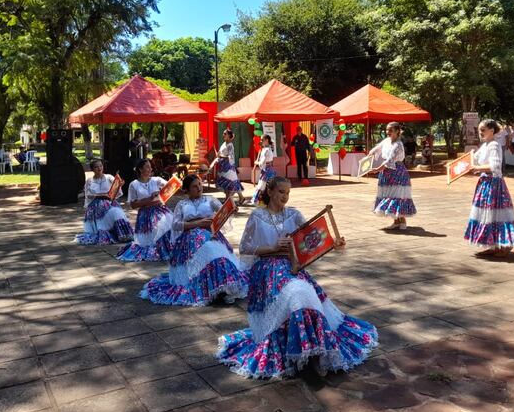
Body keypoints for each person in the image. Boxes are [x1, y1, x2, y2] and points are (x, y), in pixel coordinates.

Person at [217, 176, 378, 379]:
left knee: (306, 296)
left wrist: (334, 243)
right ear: (270, 192)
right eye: (281, 192)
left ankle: (316, 352)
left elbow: (314, 238)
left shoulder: (294, 214)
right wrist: (272, 248)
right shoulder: (257, 216)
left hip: (292, 267)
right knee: (297, 295)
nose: (285, 196)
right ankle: (304, 353)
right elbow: (245, 248)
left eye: (288, 193)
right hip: (266, 269)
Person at [141, 174, 248, 306]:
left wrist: (231, 209)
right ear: (187, 190)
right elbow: (175, 225)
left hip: (210, 233)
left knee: (216, 254)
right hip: (189, 238)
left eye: (200, 184)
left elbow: (222, 211)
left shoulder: (210, 200)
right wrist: (198, 223)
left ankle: (225, 288)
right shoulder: (182, 204)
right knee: (208, 251)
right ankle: (211, 288)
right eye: (194, 186)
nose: (199, 188)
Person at [464, 119, 514, 257]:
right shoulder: (486, 144)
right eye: (479, 130)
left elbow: (494, 167)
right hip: (486, 182)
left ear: (492, 131)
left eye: (483, 130)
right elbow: (474, 159)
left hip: (493, 183)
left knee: (496, 213)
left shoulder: (493, 145)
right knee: (488, 214)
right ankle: (493, 245)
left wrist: (474, 168)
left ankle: (505, 245)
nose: (480, 133)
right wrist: (462, 164)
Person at [116, 159, 173, 262]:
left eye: (150, 166)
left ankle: (167, 248)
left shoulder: (157, 180)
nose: (150, 168)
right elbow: (133, 205)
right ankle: (158, 249)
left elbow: (171, 187)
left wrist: (162, 193)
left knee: (167, 224)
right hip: (145, 213)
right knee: (155, 230)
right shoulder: (134, 184)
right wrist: (149, 199)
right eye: (147, 166)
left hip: (160, 209)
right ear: (140, 169)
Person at [74, 158, 133, 245]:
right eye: (96, 167)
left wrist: (119, 185)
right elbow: (88, 195)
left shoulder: (109, 177)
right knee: (101, 217)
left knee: (116, 212)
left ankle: (123, 234)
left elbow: (116, 191)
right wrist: (99, 195)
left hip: (109, 201)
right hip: (96, 204)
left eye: (100, 166)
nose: (99, 168)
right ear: (92, 169)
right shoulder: (89, 181)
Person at [369, 122, 416, 230]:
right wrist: (369, 155)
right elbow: (377, 148)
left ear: (397, 131)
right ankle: (396, 221)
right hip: (387, 173)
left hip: (397, 172)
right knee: (389, 194)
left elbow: (390, 161)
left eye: (390, 130)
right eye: (387, 130)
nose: (387, 132)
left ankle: (402, 220)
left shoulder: (398, 145)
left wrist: (376, 169)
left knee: (398, 195)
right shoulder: (387, 141)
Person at [215, 129, 245, 205]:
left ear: (229, 135)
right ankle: (230, 199)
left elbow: (230, 156)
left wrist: (220, 156)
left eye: (225, 133)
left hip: (228, 166)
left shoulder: (230, 145)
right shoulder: (224, 143)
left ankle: (235, 198)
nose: (223, 135)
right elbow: (220, 153)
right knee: (228, 182)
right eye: (223, 133)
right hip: (223, 165)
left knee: (231, 182)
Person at [251, 134, 276, 204]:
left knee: (262, 186)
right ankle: (268, 201)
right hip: (268, 170)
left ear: (267, 140)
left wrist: (256, 162)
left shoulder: (266, 150)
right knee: (268, 186)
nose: (261, 141)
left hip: (266, 171)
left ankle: (258, 201)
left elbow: (262, 162)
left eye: (262, 140)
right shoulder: (267, 149)